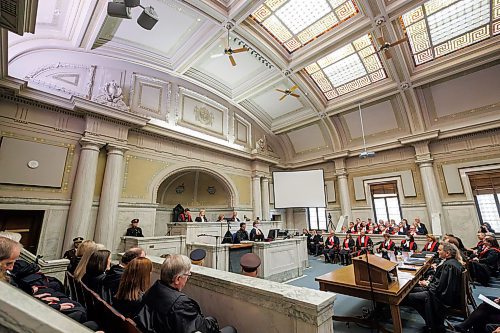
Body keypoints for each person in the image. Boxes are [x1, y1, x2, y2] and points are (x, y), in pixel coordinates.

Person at [134, 254, 237, 333]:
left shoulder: (153, 289)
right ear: (178, 279)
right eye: (188, 275)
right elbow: (203, 328)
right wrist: (213, 323)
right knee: (231, 329)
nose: (188, 278)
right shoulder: (180, 304)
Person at [403, 242, 463, 332]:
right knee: (411, 290)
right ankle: (431, 321)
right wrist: (428, 283)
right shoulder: (451, 262)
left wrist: (427, 284)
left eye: (439, 250)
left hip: (443, 297)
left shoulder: (449, 265)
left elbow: (441, 288)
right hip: (442, 291)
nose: (437, 251)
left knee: (410, 297)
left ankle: (432, 324)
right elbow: (442, 283)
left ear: (447, 253)